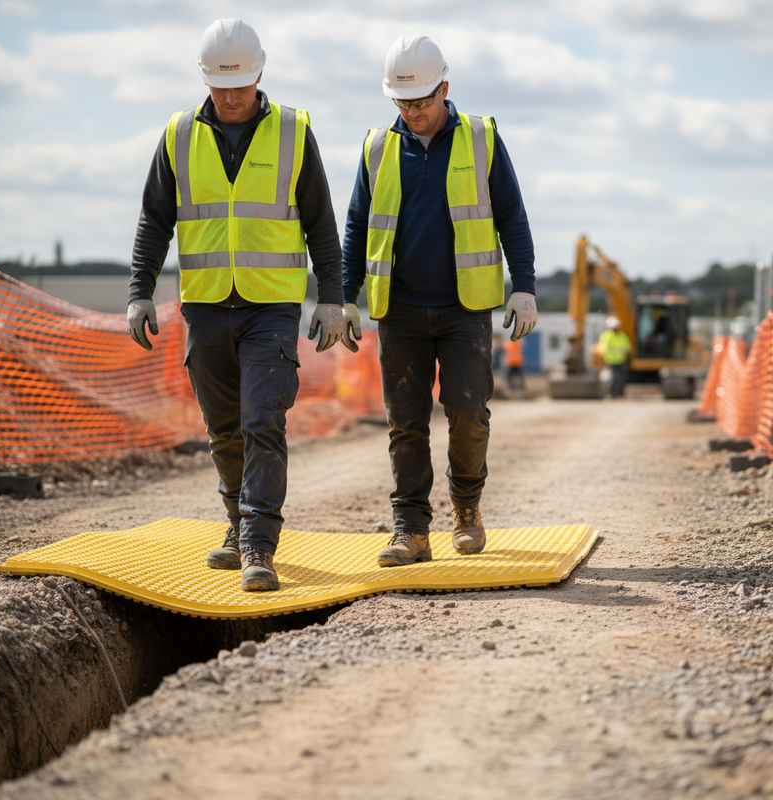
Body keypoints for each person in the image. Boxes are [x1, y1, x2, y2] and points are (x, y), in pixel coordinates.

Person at [127, 19, 344, 592]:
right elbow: (156, 218)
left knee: (263, 421)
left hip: (270, 306)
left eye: (241, 85)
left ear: (260, 74)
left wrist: (332, 300)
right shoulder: (178, 135)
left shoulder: (294, 133)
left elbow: (321, 223)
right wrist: (138, 291)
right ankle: (234, 520)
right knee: (224, 430)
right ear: (204, 79)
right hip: (204, 305)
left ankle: (257, 545)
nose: (230, 97)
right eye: (221, 86)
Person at [340, 35, 536, 568]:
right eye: (403, 104)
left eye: (422, 102)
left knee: (468, 411)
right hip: (399, 310)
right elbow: (357, 225)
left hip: (464, 309)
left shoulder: (481, 138)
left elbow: (511, 217)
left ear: (444, 89)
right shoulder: (378, 148)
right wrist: (343, 296)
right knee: (405, 421)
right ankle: (411, 530)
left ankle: (467, 509)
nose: (413, 113)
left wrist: (525, 285)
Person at [599, 316, 632, 398]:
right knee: (613, 378)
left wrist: (628, 360)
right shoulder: (606, 336)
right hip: (611, 361)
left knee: (622, 378)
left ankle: (619, 393)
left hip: (621, 361)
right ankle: (612, 394)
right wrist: (603, 361)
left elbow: (627, 348)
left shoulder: (622, 336)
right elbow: (603, 350)